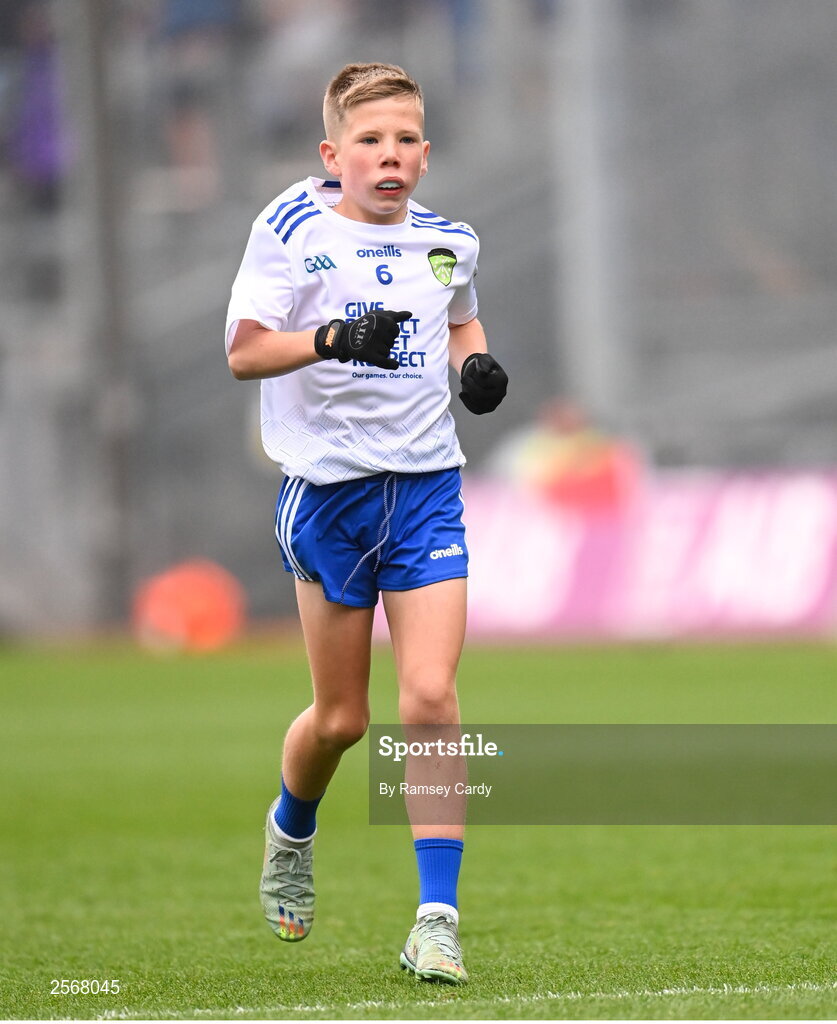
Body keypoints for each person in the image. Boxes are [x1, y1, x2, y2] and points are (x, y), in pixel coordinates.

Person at [224, 62, 507, 985]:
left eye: (405, 141)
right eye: (370, 141)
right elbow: (244, 354)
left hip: (426, 488)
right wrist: (333, 339)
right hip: (329, 497)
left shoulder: (450, 241)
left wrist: (476, 368)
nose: (389, 157)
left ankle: (436, 920)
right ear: (332, 154)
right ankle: (291, 828)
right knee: (342, 720)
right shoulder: (290, 228)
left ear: (425, 154)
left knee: (428, 699)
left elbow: (462, 323)